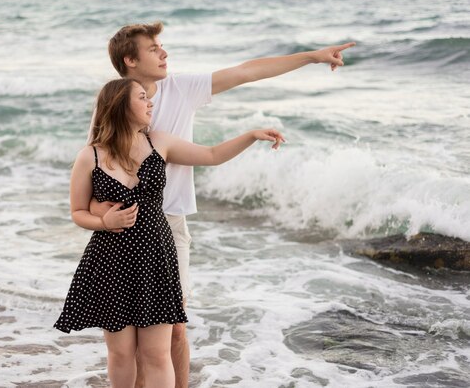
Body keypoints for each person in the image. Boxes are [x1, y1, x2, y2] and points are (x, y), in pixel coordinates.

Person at [88, 22, 355, 387]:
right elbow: (96, 170)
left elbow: (247, 71)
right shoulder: (114, 104)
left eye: (162, 45)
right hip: (123, 228)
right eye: (154, 48)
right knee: (131, 340)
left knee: (174, 331)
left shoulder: (181, 88)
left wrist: (312, 56)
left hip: (170, 223)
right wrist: (105, 217)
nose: (164, 53)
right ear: (130, 59)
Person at [55, 78, 285, 388]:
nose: (150, 102)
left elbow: (212, 155)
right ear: (121, 106)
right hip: (110, 261)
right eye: (141, 97)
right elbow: (77, 211)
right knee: (121, 353)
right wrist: (105, 222)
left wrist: (251, 135)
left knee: (157, 354)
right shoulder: (90, 156)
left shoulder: (158, 142)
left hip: (156, 257)